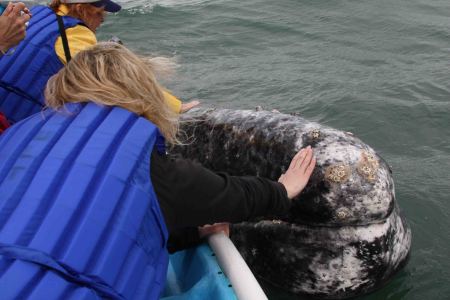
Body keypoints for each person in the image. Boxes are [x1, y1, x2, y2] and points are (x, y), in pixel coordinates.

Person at [0, 42, 316, 299]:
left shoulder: (18, 134)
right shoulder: (138, 160)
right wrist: (282, 190)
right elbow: (225, 196)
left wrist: (187, 234)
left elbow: (79, 218)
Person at [0, 0, 198, 124]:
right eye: (98, 13)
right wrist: (173, 107)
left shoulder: (36, 15)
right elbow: (117, 78)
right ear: (80, 8)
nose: (102, 20)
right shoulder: (72, 34)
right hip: (16, 122)